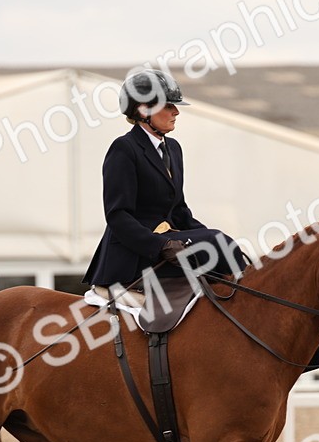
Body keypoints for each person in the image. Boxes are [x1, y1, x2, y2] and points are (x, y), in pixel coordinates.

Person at [82, 69, 246, 300]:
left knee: (221, 243)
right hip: (136, 253)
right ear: (143, 109)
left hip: (167, 245)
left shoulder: (174, 149)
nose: (176, 111)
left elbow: (179, 211)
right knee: (214, 242)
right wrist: (161, 246)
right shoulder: (124, 149)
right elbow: (118, 216)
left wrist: (211, 236)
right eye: (168, 106)